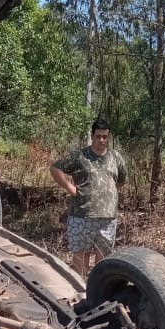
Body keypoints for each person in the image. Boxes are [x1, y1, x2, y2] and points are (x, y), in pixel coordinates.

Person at [50, 118, 127, 277]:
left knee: (103, 264)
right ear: (92, 136)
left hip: (107, 219)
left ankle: (98, 291)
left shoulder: (115, 157)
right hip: (81, 217)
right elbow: (55, 168)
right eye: (98, 136)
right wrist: (70, 188)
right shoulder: (80, 156)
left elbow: (121, 181)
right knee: (81, 263)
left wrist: (107, 194)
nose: (101, 140)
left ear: (108, 137)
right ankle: (80, 289)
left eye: (105, 137)